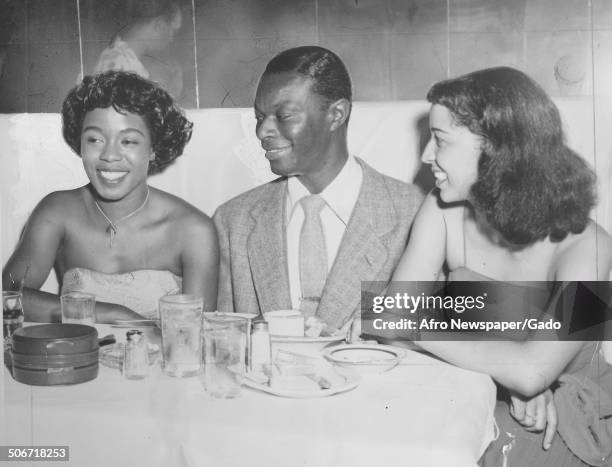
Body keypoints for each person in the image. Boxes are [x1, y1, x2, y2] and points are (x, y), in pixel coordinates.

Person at [389, 67, 612, 466]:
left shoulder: (593, 249)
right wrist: (509, 372)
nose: (426, 157)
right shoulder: (441, 211)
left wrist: (528, 377)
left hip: (566, 422)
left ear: (497, 149)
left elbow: (530, 374)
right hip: (469, 389)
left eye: (439, 140)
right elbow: (388, 322)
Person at [213, 46, 422, 333]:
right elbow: (225, 345)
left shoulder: (414, 213)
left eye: (284, 116)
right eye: (260, 117)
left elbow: (468, 326)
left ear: (336, 114)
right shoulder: (232, 221)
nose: (262, 132)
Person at [2, 71, 218, 323]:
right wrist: (114, 314)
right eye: (95, 139)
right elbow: (6, 298)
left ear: (153, 148)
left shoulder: (193, 230)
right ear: (79, 143)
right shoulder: (57, 212)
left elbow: (196, 337)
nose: (109, 155)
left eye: (128, 141)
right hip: (76, 359)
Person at [91, 1, 183, 97]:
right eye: (173, 31)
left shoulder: (119, 57)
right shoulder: (120, 65)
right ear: (159, 25)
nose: (171, 39)